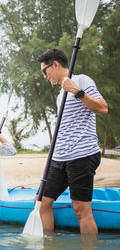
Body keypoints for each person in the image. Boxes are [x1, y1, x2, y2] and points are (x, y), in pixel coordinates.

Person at [37, 48, 108, 234]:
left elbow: (102, 109)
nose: (44, 76)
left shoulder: (82, 80)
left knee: (80, 209)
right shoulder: (61, 94)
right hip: (59, 157)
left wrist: (77, 91)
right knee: (41, 202)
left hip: (82, 154)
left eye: (45, 71)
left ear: (56, 65)